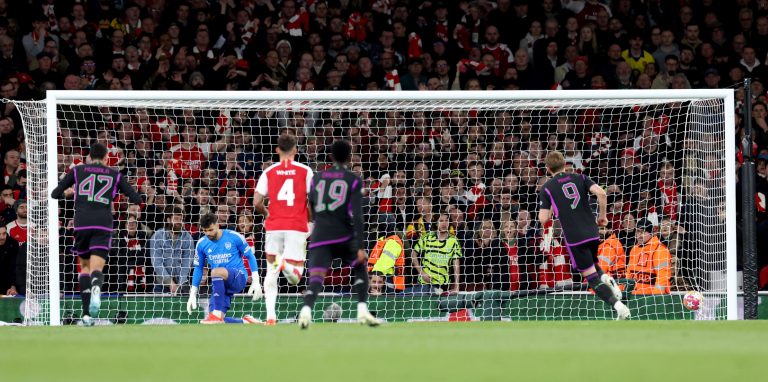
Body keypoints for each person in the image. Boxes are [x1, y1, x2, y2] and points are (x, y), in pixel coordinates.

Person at [50, 143, 142, 325]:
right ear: (107, 157)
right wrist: (116, 194)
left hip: (82, 222)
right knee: (96, 269)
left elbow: (55, 194)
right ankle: (96, 289)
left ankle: (86, 315)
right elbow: (136, 199)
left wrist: (71, 193)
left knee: (84, 267)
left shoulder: (78, 170)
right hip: (103, 223)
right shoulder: (115, 174)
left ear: (89, 157)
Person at [537, 151, 630, 319]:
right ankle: (607, 277)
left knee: (591, 279)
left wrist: (553, 208)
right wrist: (602, 216)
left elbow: (543, 219)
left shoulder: (547, 187)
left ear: (548, 168)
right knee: (593, 263)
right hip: (593, 232)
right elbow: (601, 193)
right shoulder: (580, 177)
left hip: (574, 237)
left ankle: (619, 307)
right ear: (565, 164)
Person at [300, 139, 379, 329]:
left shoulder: (316, 178)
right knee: (360, 267)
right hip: (343, 234)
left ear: (331, 156)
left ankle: (306, 311)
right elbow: (358, 217)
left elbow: (311, 205)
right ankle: (362, 310)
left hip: (320, 235)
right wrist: (360, 246)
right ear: (349, 157)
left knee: (317, 277)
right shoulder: (353, 179)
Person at [253, 132, 313, 325]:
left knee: (270, 273)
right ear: (295, 150)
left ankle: (271, 317)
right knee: (295, 278)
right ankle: (284, 264)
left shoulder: (268, 172)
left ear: (277, 150)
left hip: (274, 226)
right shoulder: (305, 171)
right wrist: (310, 221)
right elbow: (312, 201)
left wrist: (268, 214)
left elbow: (256, 202)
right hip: (295, 225)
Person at [186, 213, 262, 324]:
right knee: (214, 321)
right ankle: (246, 322)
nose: (208, 234)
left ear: (217, 225)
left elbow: (250, 256)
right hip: (220, 284)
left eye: (210, 230)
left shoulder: (234, 237)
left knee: (216, 271)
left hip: (238, 277)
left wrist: (256, 280)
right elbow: (198, 268)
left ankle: (217, 313)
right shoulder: (201, 244)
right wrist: (193, 293)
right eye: (205, 231)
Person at [409, 213, 463, 295]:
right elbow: (413, 255)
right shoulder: (427, 237)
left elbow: (456, 264)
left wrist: (457, 286)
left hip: (442, 285)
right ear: (436, 223)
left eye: (446, 220)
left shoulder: (454, 241)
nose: (444, 223)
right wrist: (421, 273)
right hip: (423, 283)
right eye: (441, 221)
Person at [149, 206, 195, 295]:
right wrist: (169, 282)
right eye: (176, 219)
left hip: (181, 284)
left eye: (181, 219)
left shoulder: (188, 238)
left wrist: (180, 284)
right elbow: (156, 262)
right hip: (161, 285)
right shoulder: (157, 236)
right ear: (168, 220)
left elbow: (187, 263)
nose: (179, 222)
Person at [627, 218, 672, 295]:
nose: (640, 235)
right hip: (633, 296)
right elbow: (629, 274)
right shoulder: (634, 249)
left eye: (644, 232)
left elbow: (663, 277)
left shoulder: (659, 249)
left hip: (651, 299)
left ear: (651, 233)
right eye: (638, 232)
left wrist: (655, 298)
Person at [367, 229, 405, 295]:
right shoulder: (382, 240)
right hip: (378, 277)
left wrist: (374, 276)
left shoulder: (393, 242)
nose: (376, 230)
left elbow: (385, 263)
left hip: (387, 279)